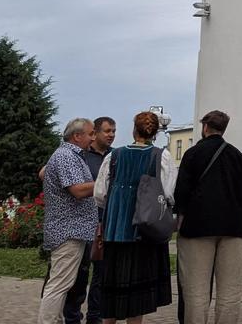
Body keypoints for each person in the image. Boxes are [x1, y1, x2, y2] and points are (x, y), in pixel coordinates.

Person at [94, 111, 177, 324]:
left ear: (134, 130)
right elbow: (168, 193)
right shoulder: (161, 156)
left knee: (111, 289)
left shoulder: (115, 155)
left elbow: (100, 194)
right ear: (155, 133)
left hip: (115, 230)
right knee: (137, 294)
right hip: (144, 230)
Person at [174, 110, 242, 324]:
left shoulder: (193, 153)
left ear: (205, 127)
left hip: (197, 228)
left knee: (196, 291)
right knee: (230, 292)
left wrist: (180, 216)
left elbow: (181, 192)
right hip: (232, 229)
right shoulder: (237, 155)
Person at [39, 119, 98, 324]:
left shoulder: (70, 155)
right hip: (68, 232)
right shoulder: (66, 156)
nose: (93, 137)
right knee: (59, 285)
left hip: (72, 230)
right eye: (91, 133)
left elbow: (44, 174)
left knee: (62, 283)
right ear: (77, 136)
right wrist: (105, 181)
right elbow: (77, 190)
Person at [64, 116, 117, 324]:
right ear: (94, 133)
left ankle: (95, 317)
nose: (111, 135)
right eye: (107, 131)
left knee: (102, 275)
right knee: (79, 275)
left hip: (107, 222)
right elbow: (47, 173)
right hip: (83, 223)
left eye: (114, 131)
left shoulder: (116, 156)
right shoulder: (80, 155)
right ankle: (72, 318)